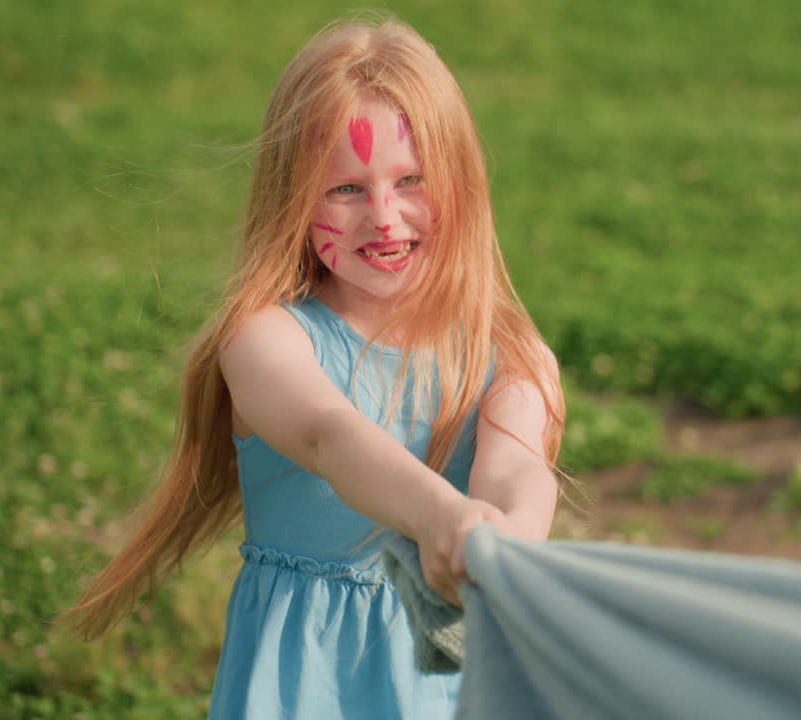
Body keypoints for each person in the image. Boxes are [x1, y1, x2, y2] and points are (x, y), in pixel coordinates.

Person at [65, 15, 565, 719]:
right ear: (294, 198)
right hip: (306, 690)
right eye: (347, 189)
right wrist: (442, 518)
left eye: (412, 180)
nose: (384, 217)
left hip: (454, 685)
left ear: (462, 180)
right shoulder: (266, 341)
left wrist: (510, 539)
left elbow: (516, 470)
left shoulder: (509, 354)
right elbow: (330, 436)